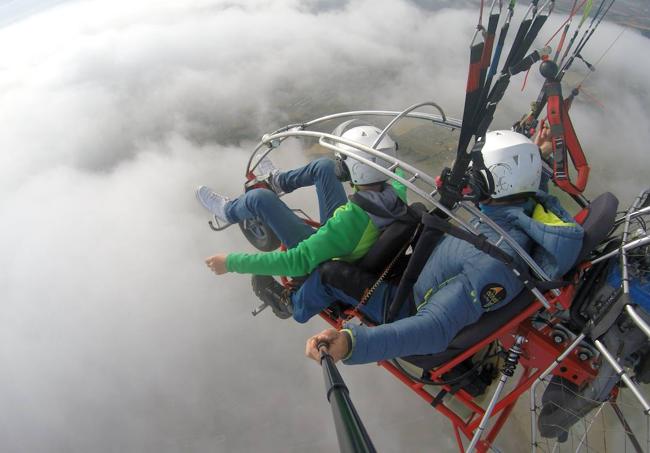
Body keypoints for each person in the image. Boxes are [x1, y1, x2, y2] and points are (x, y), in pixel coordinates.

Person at [303, 130, 585, 365]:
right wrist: (533, 156)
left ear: (490, 184)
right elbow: (522, 188)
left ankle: (293, 304)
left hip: (406, 308)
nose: (468, 182)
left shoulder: (492, 262)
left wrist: (351, 343)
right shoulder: (518, 210)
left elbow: (435, 328)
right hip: (424, 277)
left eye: (475, 176)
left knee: (329, 273)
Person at [196, 123, 408, 319]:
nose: (339, 165)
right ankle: (278, 181)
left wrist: (230, 263)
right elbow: (392, 171)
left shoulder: (347, 221)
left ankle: (228, 211)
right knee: (324, 167)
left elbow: (295, 261)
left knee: (259, 198)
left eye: (343, 161)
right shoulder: (397, 192)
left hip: (326, 261)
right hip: (352, 241)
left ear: (354, 170)